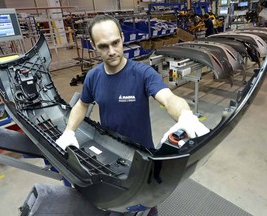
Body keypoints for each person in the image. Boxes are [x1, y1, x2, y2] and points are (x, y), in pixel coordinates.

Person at [56, 15, 210, 215]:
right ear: (94, 46)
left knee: (145, 207)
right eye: (103, 46)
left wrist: (185, 115)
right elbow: (82, 104)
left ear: (122, 37)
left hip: (142, 161)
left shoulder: (142, 73)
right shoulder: (93, 76)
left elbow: (168, 98)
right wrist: (69, 131)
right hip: (109, 154)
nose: (112, 52)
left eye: (115, 43)